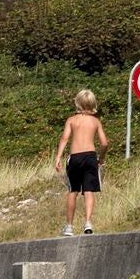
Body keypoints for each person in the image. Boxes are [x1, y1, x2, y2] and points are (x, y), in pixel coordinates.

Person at [52, 89, 109, 236]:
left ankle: (69, 226)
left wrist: (58, 157)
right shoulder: (96, 121)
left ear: (77, 103)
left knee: (73, 191)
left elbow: (64, 138)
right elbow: (104, 143)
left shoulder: (71, 120)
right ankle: (88, 223)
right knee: (89, 191)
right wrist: (101, 158)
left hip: (75, 157)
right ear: (93, 104)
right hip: (90, 157)